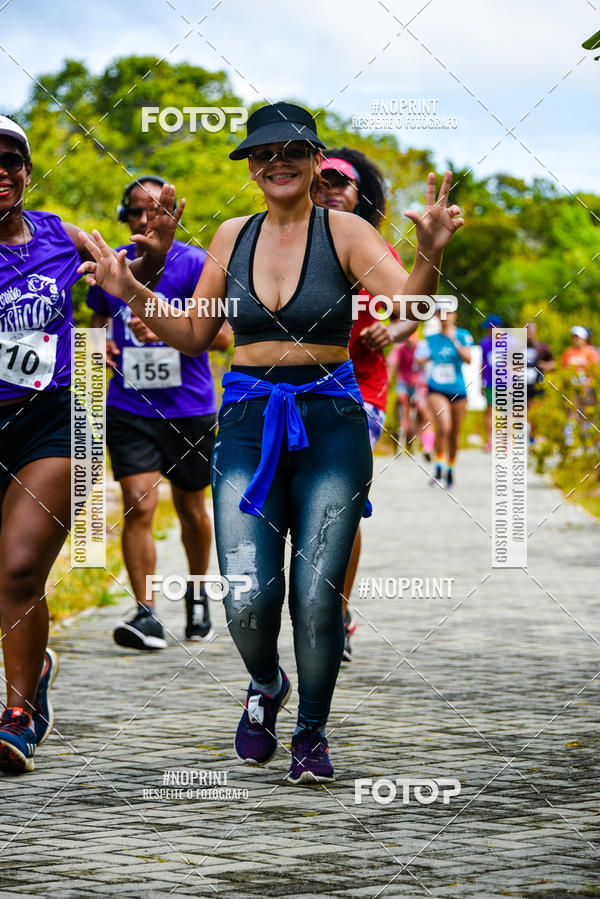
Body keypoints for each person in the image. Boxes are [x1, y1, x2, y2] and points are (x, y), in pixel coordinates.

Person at [77, 102, 464, 785]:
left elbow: (407, 306)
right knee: (248, 591)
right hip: (250, 418)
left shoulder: (342, 231)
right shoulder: (232, 234)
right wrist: (131, 288)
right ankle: (265, 682)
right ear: (251, 168)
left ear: (315, 160)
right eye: (261, 153)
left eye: (291, 150)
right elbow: (196, 333)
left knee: (317, 591)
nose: (276, 161)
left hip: (331, 419)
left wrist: (430, 250)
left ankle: (311, 732)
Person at [0, 115, 181, 772]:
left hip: (51, 420)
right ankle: (37, 663)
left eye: (10, 159)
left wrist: (153, 255)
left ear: (26, 169)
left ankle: (18, 712)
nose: (0, 171)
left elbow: (123, 280)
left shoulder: (57, 234)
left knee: (19, 567)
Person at [87, 176, 231, 650]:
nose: (144, 219)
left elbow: (226, 336)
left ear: (169, 215)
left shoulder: (194, 263)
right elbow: (96, 322)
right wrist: (101, 343)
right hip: (129, 405)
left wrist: (171, 326)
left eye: (154, 211)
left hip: (188, 407)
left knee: (192, 507)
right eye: (134, 211)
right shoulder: (113, 267)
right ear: (123, 217)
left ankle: (196, 597)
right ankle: (146, 612)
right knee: (139, 503)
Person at [312, 147, 417, 661]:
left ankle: (336, 612)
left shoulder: (373, 246)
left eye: (341, 182)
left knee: (339, 511)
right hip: (292, 392)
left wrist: (390, 330)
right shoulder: (286, 242)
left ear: (361, 195)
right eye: (321, 181)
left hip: (360, 392)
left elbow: (413, 306)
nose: (329, 189)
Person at [418, 303, 473, 488]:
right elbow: (419, 360)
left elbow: (468, 358)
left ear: (454, 315)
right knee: (444, 426)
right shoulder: (431, 338)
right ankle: (438, 467)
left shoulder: (463, 335)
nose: (444, 316)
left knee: (454, 433)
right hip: (436, 389)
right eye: (440, 312)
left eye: (448, 312)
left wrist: (453, 340)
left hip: (458, 390)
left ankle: (450, 469)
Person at [387, 334, 432, 459]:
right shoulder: (398, 347)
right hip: (404, 384)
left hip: (419, 384)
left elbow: (428, 363)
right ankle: (402, 435)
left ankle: (426, 447)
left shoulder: (422, 346)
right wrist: (388, 379)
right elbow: (392, 364)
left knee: (422, 409)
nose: (410, 343)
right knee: (403, 406)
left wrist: (422, 359)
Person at [526, 321, 555, 443]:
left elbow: (553, 363)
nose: (529, 335)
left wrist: (544, 365)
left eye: (531, 333)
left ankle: (532, 437)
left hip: (536, 384)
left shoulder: (542, 347)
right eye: (527, 333)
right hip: (520, 384)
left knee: (534, 411)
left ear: (535, 332)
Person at [479, 313, 503, 451]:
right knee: (489, 411)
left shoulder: (509, 342)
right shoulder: (484, 343)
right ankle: (489, 440)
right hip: (489, 382)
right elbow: (482, 364)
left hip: (505, 383)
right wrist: (480, 382)